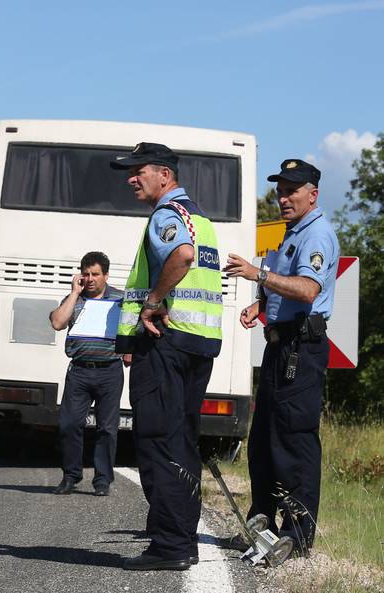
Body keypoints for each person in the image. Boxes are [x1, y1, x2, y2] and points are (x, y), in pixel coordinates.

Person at [110, 142, 223, 571]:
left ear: (164, 174)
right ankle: (181, 541)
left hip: (166, 344)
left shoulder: (166, 216)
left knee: (159, 442)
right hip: (197, 343)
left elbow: (182, 256)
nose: (131, 178)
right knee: (181, 440)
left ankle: (170, 546)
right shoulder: (203, 220)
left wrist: (153, 300)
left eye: (138, 170)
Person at [223, 159, 338, 557]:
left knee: (294, 438)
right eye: (280, 190)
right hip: (280, 346)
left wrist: (259, 276)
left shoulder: (317, 234)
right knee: (264, 438)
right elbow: (285, 290)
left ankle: (297, 535)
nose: (283, 197)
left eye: (292, 190)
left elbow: (307, 290)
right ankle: (264, 524)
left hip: (300, 350)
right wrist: (262, 305)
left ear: (313, 194)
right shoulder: (292, 233)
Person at [49, 251, 124, 496]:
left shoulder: (120, 299)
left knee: (107, 429)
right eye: (86, 274)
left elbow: (131, 328)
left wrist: (130, 351)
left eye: (95, 274)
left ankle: (102, 480)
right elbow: (58, 323)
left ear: (106, 275)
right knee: (69, 425)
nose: (90, 278)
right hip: (80, 371)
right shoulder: (74, 298)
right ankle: (71, 475)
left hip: (109, 371)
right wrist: (74, 293)